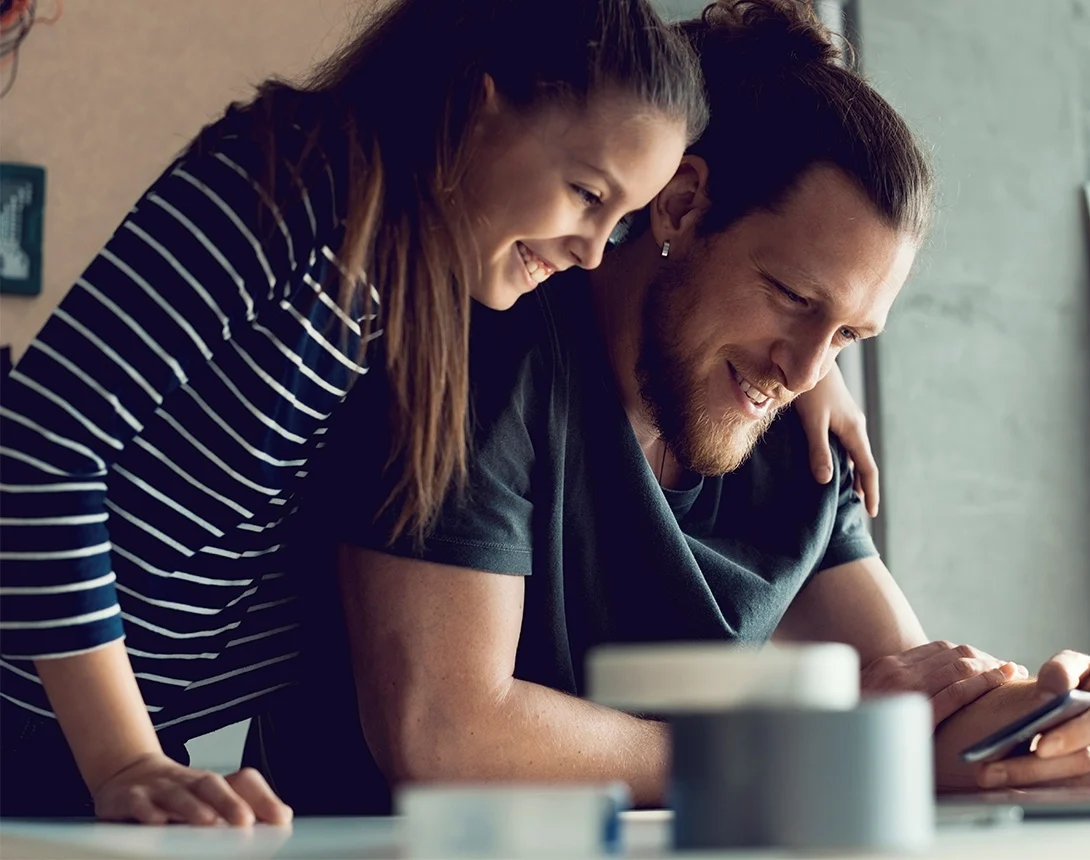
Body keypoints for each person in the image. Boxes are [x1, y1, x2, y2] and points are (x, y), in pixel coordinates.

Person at [247, 0, 1090, 815]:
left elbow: (911, 722)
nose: (805, 369)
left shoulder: (799, 434)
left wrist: (1082, 714)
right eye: (794, 298)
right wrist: (799, 751)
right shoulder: (488, 351)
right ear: (682, 205)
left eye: (847, 336)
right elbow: (446, 733)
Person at [0, 0, 720, 824]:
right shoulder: (290, 176)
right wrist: (123, 756)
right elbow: (41, 446)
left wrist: (811, 373)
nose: (591, 250)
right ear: (474, 108)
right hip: (47, 721)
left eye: (621, 222)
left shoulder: (434, 289)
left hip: (112, 742)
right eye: (585, 192)